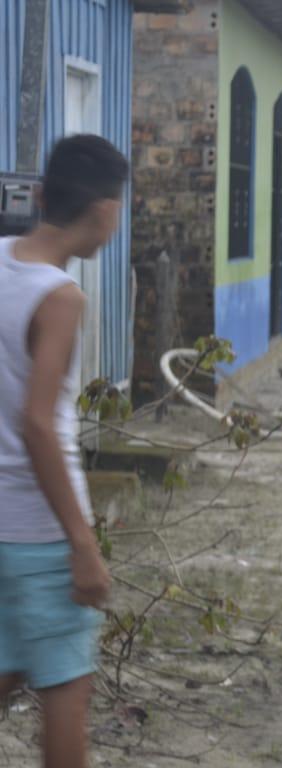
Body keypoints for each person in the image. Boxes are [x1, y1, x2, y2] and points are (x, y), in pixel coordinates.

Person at [0, 134, 126, 768]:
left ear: (42, 196)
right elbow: (39, 425)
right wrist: (82, 545)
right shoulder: (60, 297)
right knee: (64, 692)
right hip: (42, 534)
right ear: (107, 212)